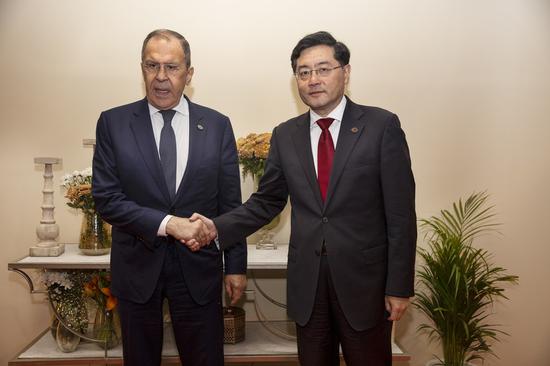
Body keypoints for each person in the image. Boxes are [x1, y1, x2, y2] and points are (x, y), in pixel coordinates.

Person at [192, 31, 416, 366]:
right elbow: (266, 202)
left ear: (346, 72)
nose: (313, 79)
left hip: (365, 286)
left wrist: (399, 286)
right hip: (308, 286)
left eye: (323, 69)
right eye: (303, 72)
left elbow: (400, 215)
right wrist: (215, 227)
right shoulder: (286, 134)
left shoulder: (381, 126)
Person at [92, 29, 247, 366]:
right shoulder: (113, 123)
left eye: (172, 67)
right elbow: (106, 198)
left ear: (189, 74)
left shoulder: (218, 125)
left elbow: (230, 206)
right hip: (137, 269)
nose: (161, 77)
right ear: (142, 69)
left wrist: (235, 267)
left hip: (199, 270)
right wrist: (168, 224)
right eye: (152, 65)